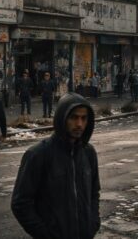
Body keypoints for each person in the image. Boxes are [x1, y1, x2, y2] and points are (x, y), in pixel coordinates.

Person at [11, 93, 100, 239]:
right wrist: (45, 234)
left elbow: (94, 193)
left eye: (84, 118)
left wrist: (92, 224)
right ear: (62, 119)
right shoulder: (38, 154)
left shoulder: (88, 153)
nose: (79, 124)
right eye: (74, 117)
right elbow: (20, 203)